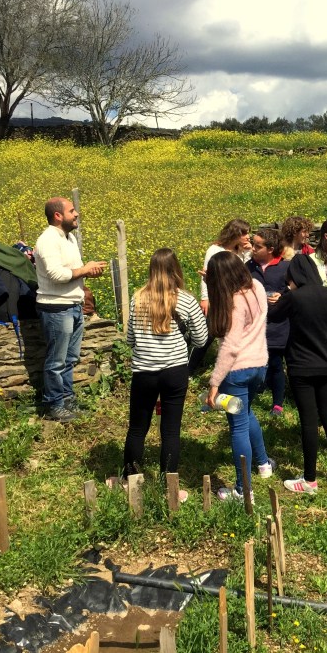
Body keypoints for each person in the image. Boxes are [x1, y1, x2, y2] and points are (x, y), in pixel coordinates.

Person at [122, 248, 208, 491]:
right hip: (175, 371)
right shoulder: (187, 300)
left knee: (138, 428)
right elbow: (202, 339)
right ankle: (169, 484)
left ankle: (131, 480)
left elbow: (129, 340)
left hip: (144, 371)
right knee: (170, 430)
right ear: (175, 269)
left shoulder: (138, 298)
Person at [269, 255, 327, 493]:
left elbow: (274, 316)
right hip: (326, 362)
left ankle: (310, 479)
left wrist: (281, 297)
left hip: (301, 365)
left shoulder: (293, 297)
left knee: (309, 421)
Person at [205, 251, 275, 501]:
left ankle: (242, 489)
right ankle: (264, 463)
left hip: (237, 372)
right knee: (247, 413)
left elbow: (231, 346)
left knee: (237, 427)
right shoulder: (255, 286)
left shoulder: (233, 302)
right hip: (259, 365)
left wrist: (214, 383)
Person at [33, 197, 107, 422]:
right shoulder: (47, 241)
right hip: (56, 308)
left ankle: (66, 399)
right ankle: (54, 405)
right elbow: (57, 275)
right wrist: (85, 270)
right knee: (56, 361)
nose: (77, 214)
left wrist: (88, 270)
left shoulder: (70, 238)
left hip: (73, 306)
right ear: (58, 215)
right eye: (72, 211)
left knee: (70, 358)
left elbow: (74, 270)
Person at [246, 228, 290, 416]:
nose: (252, 248)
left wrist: (283, 296)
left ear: (271, 249)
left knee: (276, 363)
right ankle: (255, 391)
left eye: (257, 246)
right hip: (256, 325)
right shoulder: (249, 267)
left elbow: (297, 290)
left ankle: (277, 403)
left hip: (280, 325)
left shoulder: (285, 267)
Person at [200, 219, 251, 315]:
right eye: (244, 234)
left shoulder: (242, 250)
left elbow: (247, 272)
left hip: (239, 295)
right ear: (234, 234)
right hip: (219, 294)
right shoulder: (214, 250)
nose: (248, 237)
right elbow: (206, 274)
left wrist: (248, 253)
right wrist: (205, 298)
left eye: (248, 233)